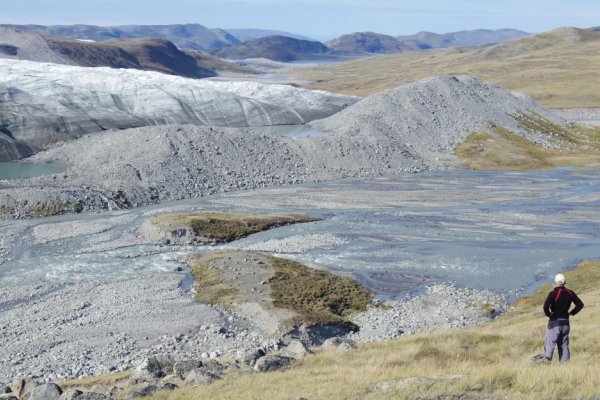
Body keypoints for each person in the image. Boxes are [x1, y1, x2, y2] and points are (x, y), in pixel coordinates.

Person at [543, 273, 584, 362]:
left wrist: (549, 314)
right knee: (564, 344)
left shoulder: (553, 293)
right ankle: (565, 367)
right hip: (565, 322)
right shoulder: (570, 293)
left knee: (550, 344)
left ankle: (546, 364)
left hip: (554, 322)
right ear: (564, 282)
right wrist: (571, 313)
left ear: (555, 282)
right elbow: (580, 305)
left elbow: (545, 307)